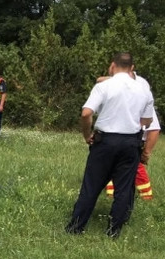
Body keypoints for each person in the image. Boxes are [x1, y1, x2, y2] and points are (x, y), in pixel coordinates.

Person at [66, 52, 154, 238]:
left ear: (112, 66)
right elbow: (146, 121)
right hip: (131, 142)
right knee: (123, 189)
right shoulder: (144, 90)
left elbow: (86, 113)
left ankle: (76, 228)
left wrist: (87, 134)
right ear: (132, 68)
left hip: (105, 141)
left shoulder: (104, 86)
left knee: (91, 186)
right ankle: (113, 232)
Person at [97, 72, 160, 200]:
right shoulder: (117, 101)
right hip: (115, 141)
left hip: (133, 143)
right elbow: (99, 80)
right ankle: (111, 194)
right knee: (111, 168)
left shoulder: (143, 100)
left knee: (137, 170)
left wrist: (146, 153)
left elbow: (154, 129)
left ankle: (146, 196)